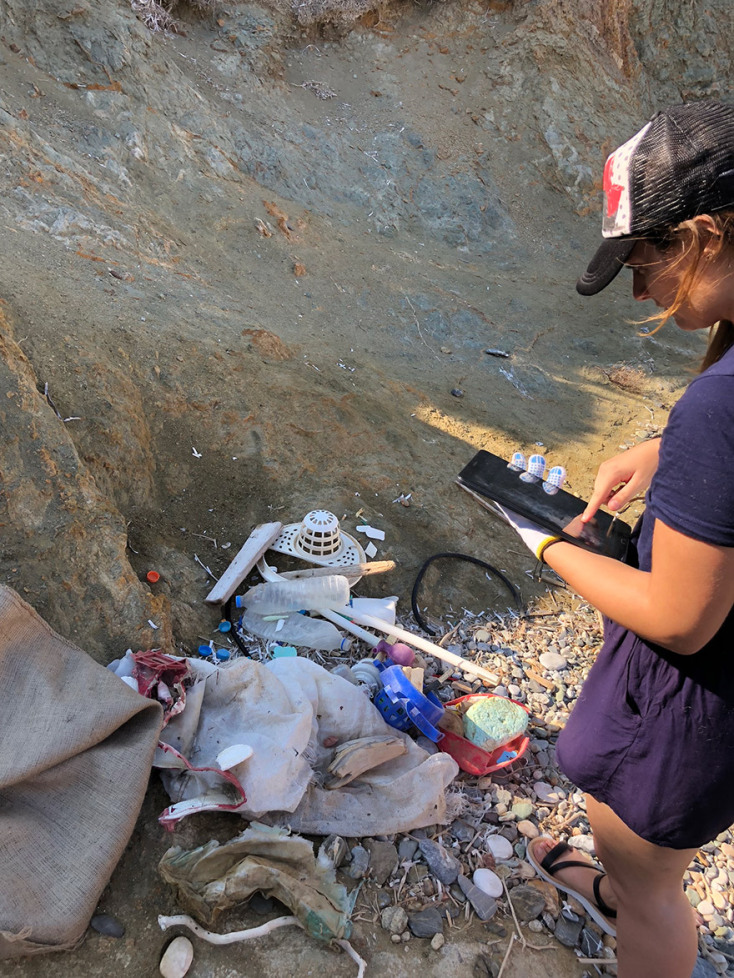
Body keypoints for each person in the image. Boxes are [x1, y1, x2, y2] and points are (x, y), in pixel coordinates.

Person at [500, 99, 734, 978]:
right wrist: (668, 449)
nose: (639, 289)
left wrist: (545, 542)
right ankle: (625, 895)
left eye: (644, 257)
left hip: (693, 708)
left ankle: (637, 911)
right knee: (647, 871)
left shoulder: (718, 407)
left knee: (653, 884)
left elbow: (678, 619)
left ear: (705, 234)